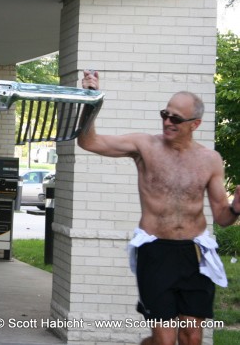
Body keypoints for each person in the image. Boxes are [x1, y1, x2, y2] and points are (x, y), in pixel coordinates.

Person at [77, 69, 240, 345]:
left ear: (195, 124)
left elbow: (222, 218)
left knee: (192, 336)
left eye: (176, 118)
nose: (167, 121)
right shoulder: (144, 146)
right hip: (155, 250)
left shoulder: (210, 160)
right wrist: (91, 99)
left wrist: (236, 209)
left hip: (195, 253)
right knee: (163, 340)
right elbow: (88, 141)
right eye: (165, 114)